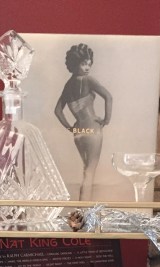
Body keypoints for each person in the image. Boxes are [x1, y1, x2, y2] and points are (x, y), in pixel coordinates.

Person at [54, 43, 113, 201]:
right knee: (90, 171)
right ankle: (84, 210)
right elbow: (108, 97)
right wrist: (106, 120)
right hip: (92, 128)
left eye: (89, 64)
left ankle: (82, 209)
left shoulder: (67, 85)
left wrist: (70, 128)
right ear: (75, 64)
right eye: (83, 64)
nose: (87, 68)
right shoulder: (88, 80)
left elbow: (58, 111)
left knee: (86, 170)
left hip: (78, 131)